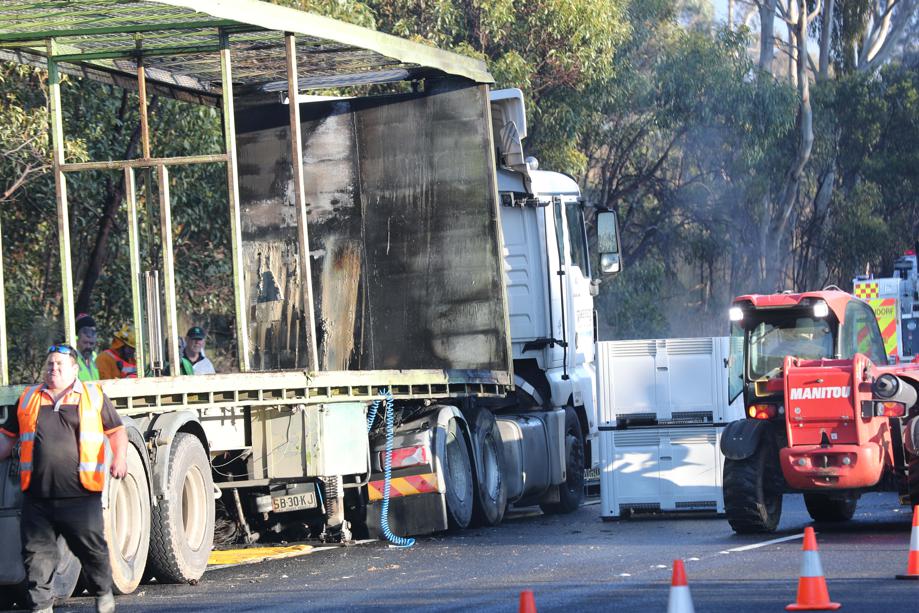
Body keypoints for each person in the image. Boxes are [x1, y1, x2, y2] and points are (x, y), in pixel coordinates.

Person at [0, 344, 127, 613]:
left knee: (93, 551)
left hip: (80, 495)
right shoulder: (28, 398)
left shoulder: (92, 396)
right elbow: (7, 439)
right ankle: (41, 607)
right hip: (38, 496)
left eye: (59, 364)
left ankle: (103, 591)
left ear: (73, 369)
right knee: (37, 557)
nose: (53, 369)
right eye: (49, 364)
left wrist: (120, 458)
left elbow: (116, 431)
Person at [75, 312, 99, 381]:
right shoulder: (69, 355)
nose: (88, 346)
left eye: (91, 343)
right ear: (77, 339)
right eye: (85, 342)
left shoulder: (94, 357)